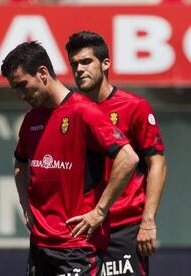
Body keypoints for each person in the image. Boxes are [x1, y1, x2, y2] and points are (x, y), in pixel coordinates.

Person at [1, 41, 139, 276]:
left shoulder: (84, 112)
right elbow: (20, 164)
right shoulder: (31, 119)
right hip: (40, 246)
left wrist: (99, 211)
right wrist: (26, 205)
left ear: (43, 73)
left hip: (77, 247)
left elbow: (128, 158)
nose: (20, 95)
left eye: (23, 85)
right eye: (15, 88)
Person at [65, 31, 167, 276]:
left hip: (124, 228)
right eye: (74, 64)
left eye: (86, 61)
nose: (79, 69)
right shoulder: (69, 111)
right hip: (81, 229)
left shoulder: (134, 107)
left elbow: (157, 164)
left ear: (106, 63)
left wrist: (148, 221)